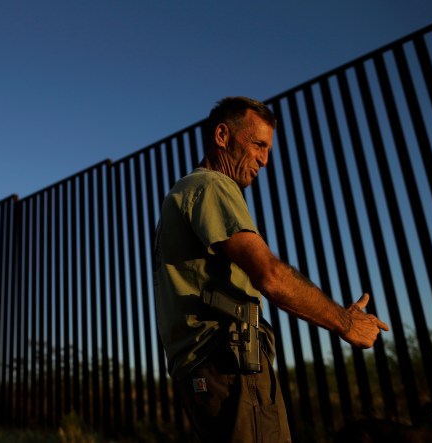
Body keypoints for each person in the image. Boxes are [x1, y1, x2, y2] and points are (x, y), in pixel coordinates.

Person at [153, 96, 390, 443]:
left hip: (204, 370)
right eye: (258, 145)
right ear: (222, 136)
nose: (264, 160)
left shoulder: (182, 194)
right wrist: (346, 322)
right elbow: (271, 276)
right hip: (230, 367)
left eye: (268, 149)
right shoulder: (211, 185)